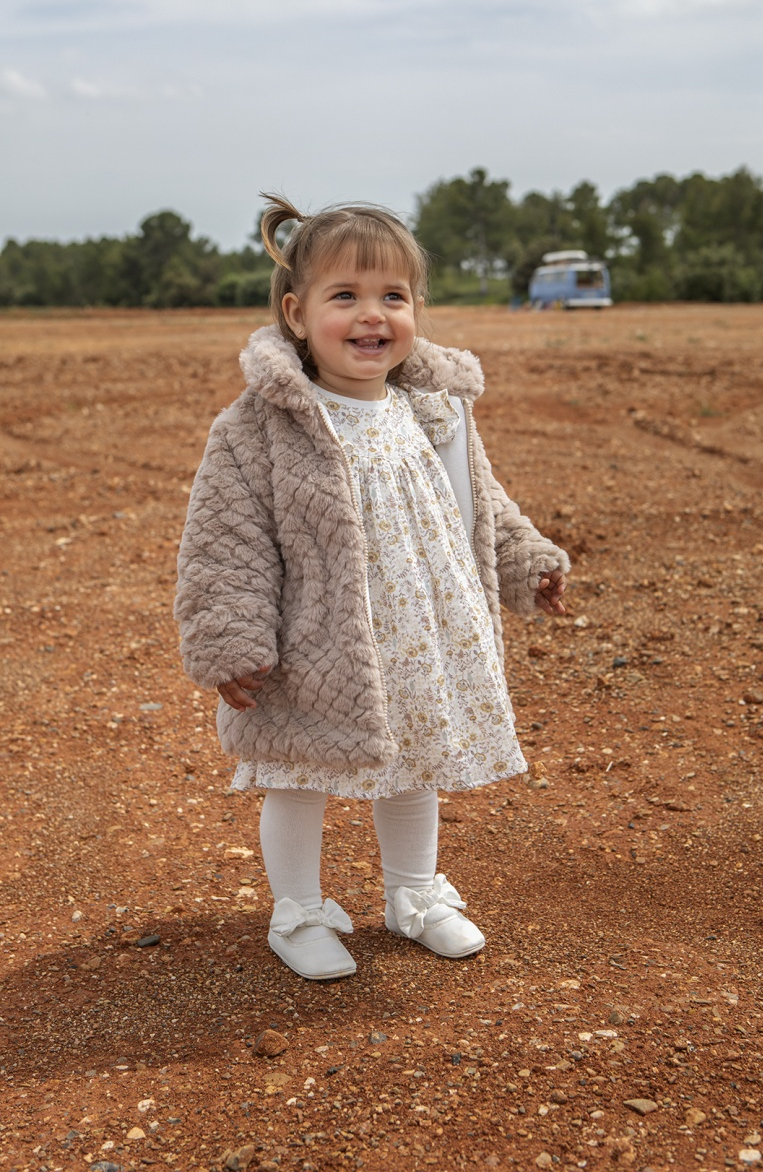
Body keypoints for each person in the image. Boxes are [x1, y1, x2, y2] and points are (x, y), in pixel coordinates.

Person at [175, 195, 569, 981]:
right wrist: (230, 639)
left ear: (415, 308)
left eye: (393, 295)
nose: (371, 315)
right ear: (297, 313)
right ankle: (299, 912)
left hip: (418, 632)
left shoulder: (435, 410)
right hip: (313, 644)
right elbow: (225, 540)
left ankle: (412, 895)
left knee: (416, 762)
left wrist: (525, 561)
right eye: (344, 296)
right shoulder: (260, 426)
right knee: (298, 775)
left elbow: (481, 504)